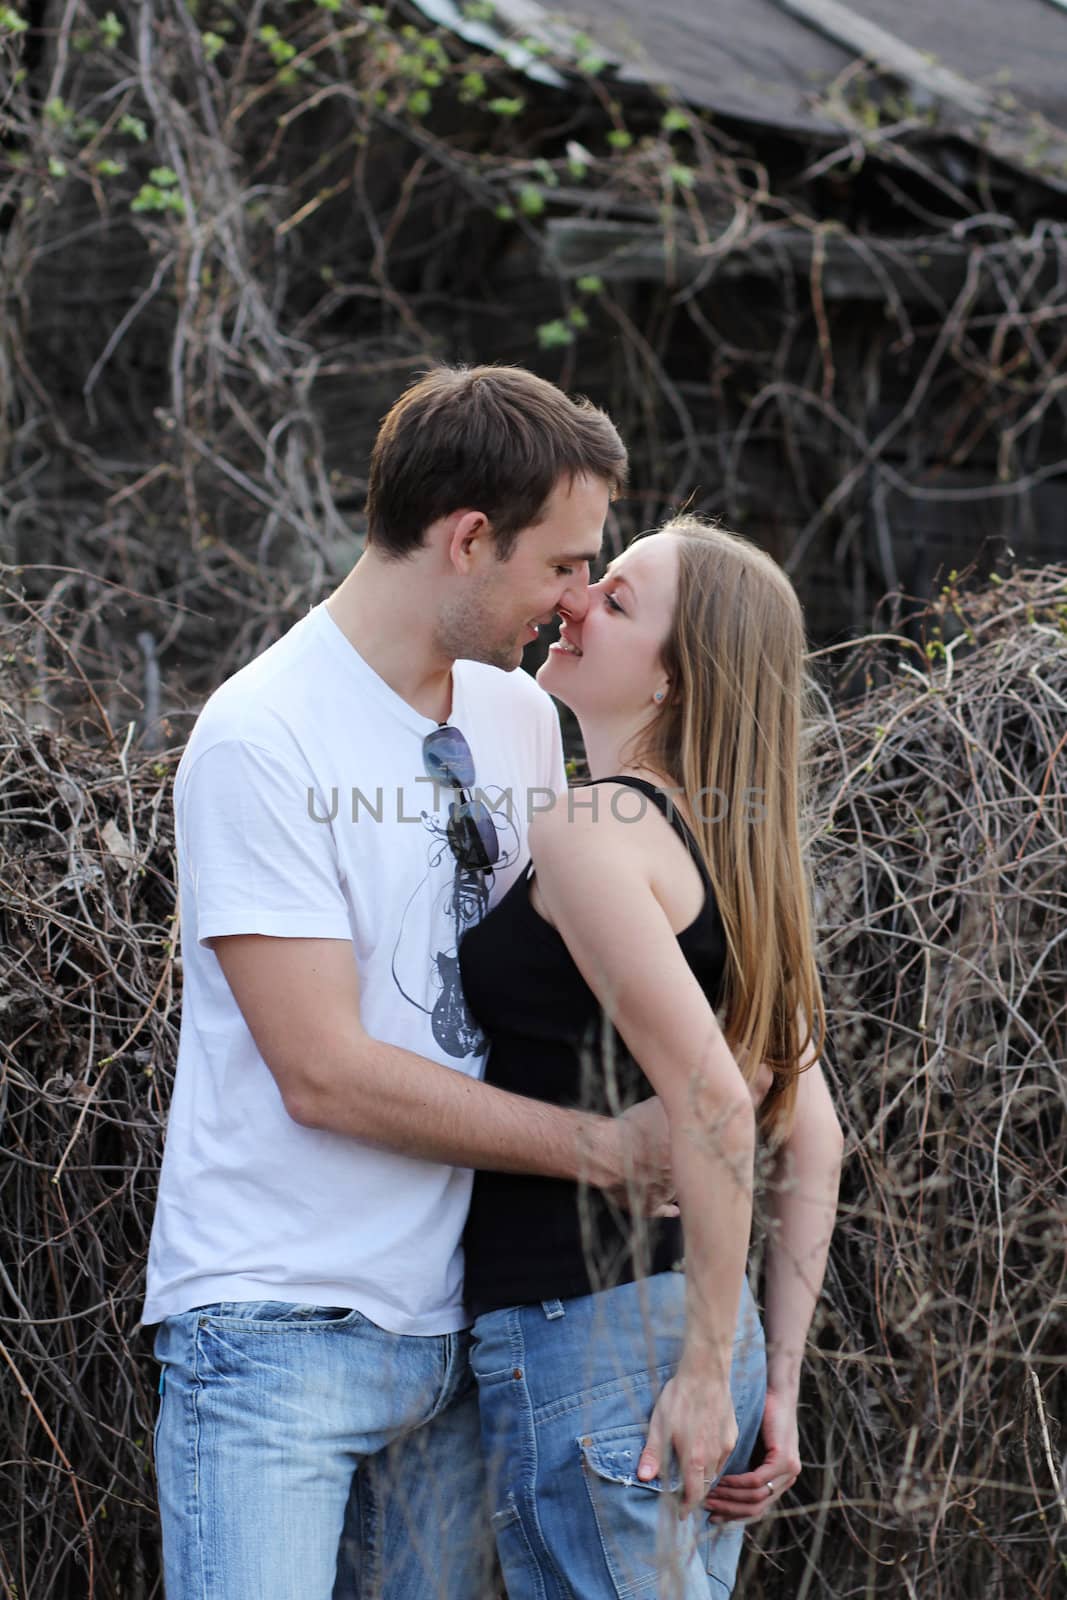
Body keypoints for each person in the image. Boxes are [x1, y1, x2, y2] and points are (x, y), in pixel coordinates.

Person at [144, 365, 685, 1599]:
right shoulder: (262, 735)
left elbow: (589, 974)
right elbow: (322, 1074)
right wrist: (607, 1148)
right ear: (467, 538)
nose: (569, 604)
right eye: (560, 566)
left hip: (456, 1335)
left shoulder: (509, 718)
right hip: (276, 1331)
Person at [459, 518, 845, 1598]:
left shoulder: (595, 829)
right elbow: (814, 1141)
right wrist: (772, 1379)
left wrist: (710, 1369)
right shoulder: (735, 852)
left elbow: (718, 1108)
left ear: (676, 682)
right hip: (670, 1347)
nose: (577, 602)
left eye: (616, 601)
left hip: (597, 1348)